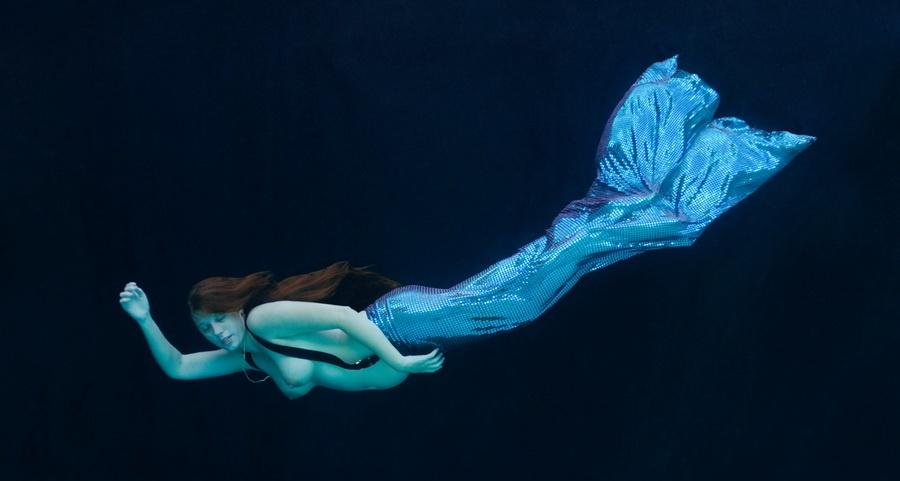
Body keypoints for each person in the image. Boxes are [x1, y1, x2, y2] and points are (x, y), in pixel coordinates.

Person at [120, 55, 815, 400]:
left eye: (218, 318)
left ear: (238, 304)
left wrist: (399, 363)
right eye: (208, 327)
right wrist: (148, 319)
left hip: (397, 324)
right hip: (413, 332)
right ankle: (638, 201)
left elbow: (353, 324)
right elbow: (179, 368)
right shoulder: (250, 355)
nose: (217, 333)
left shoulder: (267, 320)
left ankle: (647, 205)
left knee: (533, 290)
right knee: (543, 278)